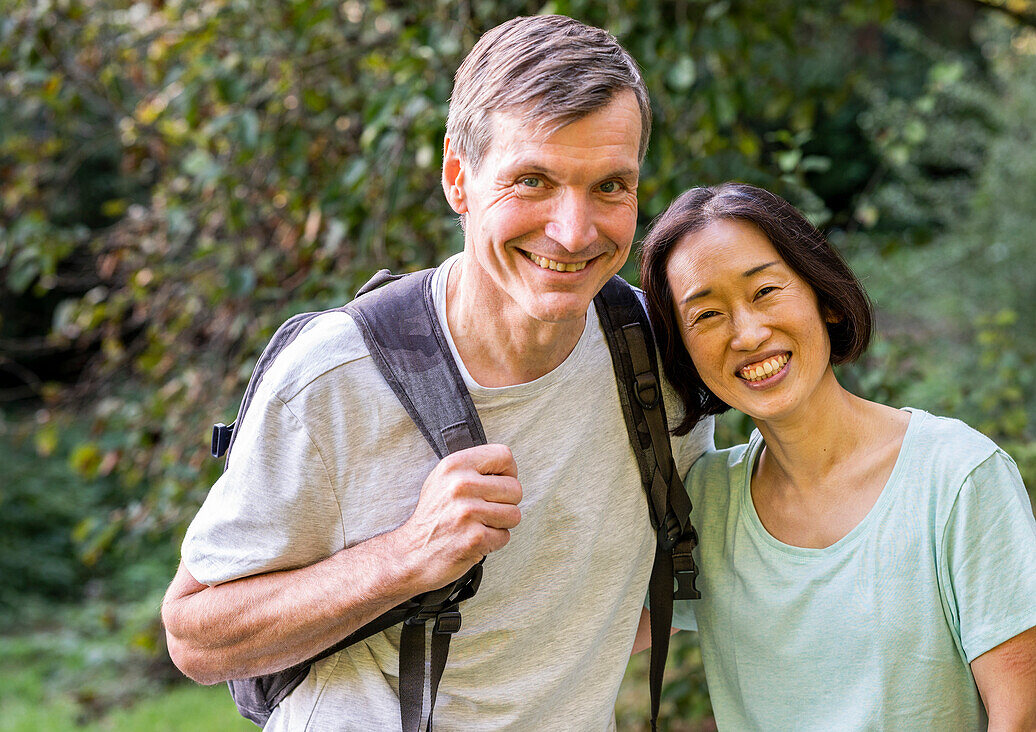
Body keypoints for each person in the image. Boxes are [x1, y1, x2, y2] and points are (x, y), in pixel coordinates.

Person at [160, 15, 714, 731]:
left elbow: (667, 588)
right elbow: (196, 637)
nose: (574, 231)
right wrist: (406, 557)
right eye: (532, 181)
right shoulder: (335, 377)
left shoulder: (656, 358)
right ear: (459, 176)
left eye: (610, 186)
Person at [639, 182, 1036, 730]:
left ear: (823, 296)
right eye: (706, 315)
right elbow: (580, 636)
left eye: (765, 292)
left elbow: (1020, 715)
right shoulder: (704, 501)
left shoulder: (958, 476)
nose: (749, 334)